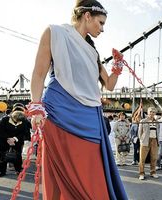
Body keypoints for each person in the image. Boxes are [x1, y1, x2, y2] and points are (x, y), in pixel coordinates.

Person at [29, 0, 127, 199]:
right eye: (101, 23)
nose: (102, 29)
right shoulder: (54, 32)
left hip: (90, 118)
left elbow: (109, 84)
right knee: (61, 177)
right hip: (58, 112)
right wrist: (36, 106)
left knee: (92, 178)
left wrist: (117, 65)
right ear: (87, 16)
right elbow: (38, 74)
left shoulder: (93, 52)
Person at [0, 106, 28, 177]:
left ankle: (18, 170)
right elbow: (1, 131)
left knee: (18, 156)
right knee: (3, 156)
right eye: (16, 120)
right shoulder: (4, 120)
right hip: (3, 140)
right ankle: (2, 171)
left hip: (17, 141)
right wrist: (8, 139)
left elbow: (24, 132)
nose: (17, 122)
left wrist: (14, 139)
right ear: (13, 117)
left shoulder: (24, 121)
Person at [138, 107, 160, 180]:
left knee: (154, 158)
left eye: (153, 112)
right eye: (150, 111)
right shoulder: (143, 121)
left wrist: (157, 141)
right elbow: (139, 132)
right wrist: (141, 140)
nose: (152, 113)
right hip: (145, 141)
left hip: (154, 140)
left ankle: (153, 172)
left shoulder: (157, 122)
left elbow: (158, 132)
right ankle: (141, 173)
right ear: (148, 112)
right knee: (142, 158)